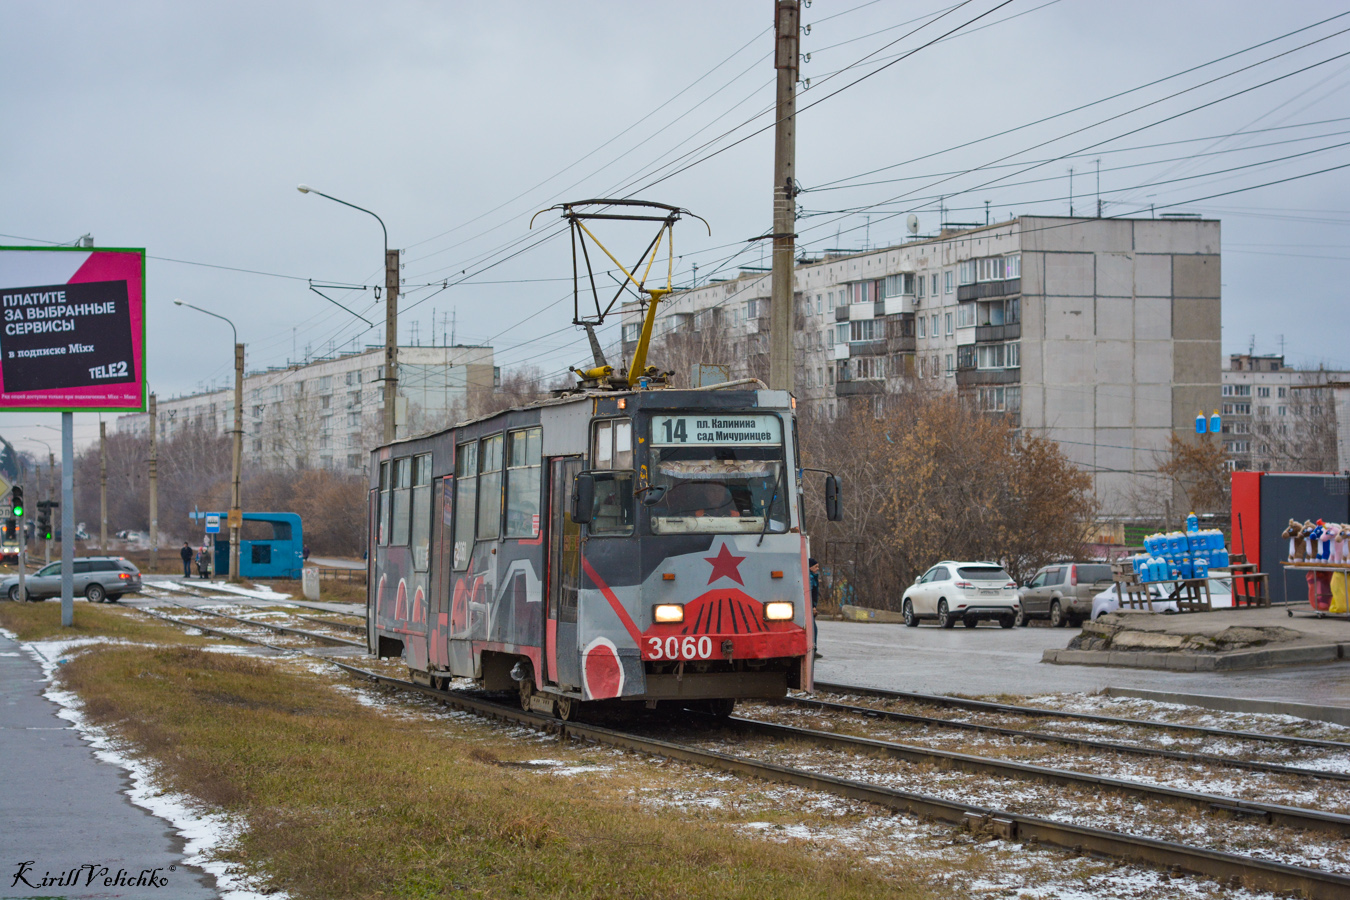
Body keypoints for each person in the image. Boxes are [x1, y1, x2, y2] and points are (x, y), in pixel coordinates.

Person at [809, 558, 822, 659]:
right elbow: (810, 594)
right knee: (813, 629)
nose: (817, 569)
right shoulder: (810, 578)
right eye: (815, 567)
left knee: (813, 628)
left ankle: (813, 649)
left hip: (811, 605)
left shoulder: (813, 576)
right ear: (810, 567)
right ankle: (813, 649)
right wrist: (812, 607)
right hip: (809, 606)